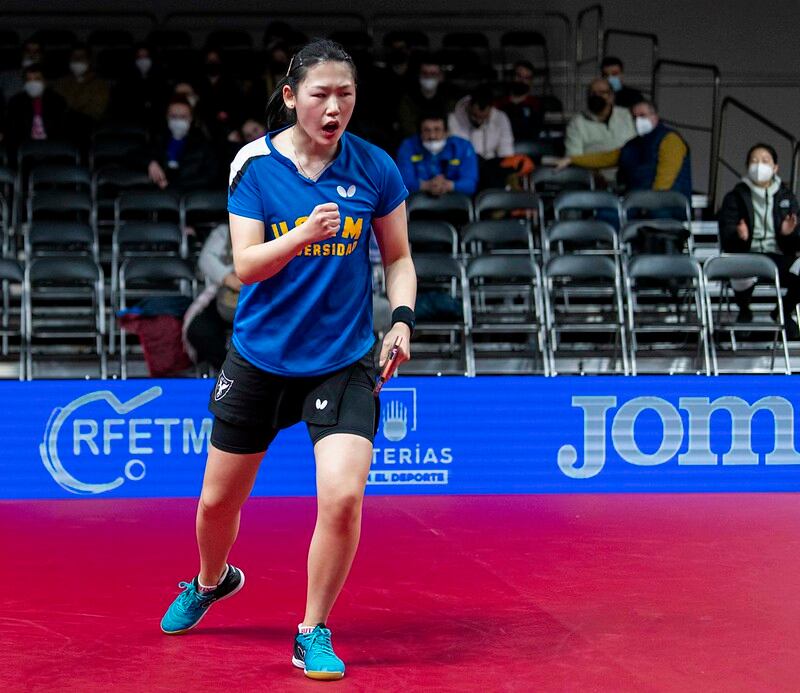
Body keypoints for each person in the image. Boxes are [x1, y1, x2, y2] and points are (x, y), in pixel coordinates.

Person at [159, 39, 417, 682]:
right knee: (217, 505)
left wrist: (403, 322)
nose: (334, 108)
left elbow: (399, 258)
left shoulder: (376, 167)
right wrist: (303, 235)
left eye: (346, 96)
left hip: (344, 357)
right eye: (321, 95)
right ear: (290, 97)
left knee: (342, 498)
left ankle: (312, 629)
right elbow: (244, 266)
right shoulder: (255, 163)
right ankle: (212, 580)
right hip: (260, 356)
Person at [718, 143, 800, 337]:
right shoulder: (735, 197)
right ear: (747, 166)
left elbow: (796, 243)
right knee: (740, 268)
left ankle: (784, 311)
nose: (759, 165)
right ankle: (744, 310)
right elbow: (727, 238)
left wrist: (789, 234)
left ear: (775, 168)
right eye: (754, 161)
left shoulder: (787, 197)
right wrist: (740, 236)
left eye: (765, 161)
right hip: (747, 255)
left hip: (778, 256)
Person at [557, 100, 692, 201]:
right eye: (634, 117)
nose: (638, 120)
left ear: (655, 116)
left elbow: (665, 180)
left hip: (668, 202)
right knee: (607, 215)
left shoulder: (670, 139)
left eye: (642, 115)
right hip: (637, 200)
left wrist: (650, 203)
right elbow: (606, 158)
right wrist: (572, 159)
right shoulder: (634, 144)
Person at [183, 223, 239, 370]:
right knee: (198, 330)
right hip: (224, 298)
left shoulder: (272, 230)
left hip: (261, 302)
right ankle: (227, 371)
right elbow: (205, 259)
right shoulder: (225, 231)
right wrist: (227, 277)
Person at [561, 77, 635, 183]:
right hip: (597, 179)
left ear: (611, 97)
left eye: (602, 92)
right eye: (592, 93)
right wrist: (593, 175)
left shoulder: (627, 116)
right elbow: (573, 158)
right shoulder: (577, 123)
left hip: (631, 175)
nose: (596, 96)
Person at [144, 96, 220, 193]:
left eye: (183, 117)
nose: (178, 121)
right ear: (167, 117)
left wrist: (172, 186)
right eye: (174, 117)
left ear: (191, 118)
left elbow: (210, 176)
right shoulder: (157, 140)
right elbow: (133, 155)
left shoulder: (204, 145)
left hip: (191, 195)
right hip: (159, 194)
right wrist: (151, 162)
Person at [396, 111, 478, 196]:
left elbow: (470, 184)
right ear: (420, 133)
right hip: (417, 202)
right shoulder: (408, 146)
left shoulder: (463, 147)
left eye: (437, 129)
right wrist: (427, 185)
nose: (432, 136)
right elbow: (402, 184)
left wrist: (447, 185)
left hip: (456, 202)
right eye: (427, 130)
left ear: (447, 132)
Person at [4, 64, 67, 160]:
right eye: (29, 80)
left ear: (45, 81)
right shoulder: (16, 102)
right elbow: (12, 130)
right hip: (24, 150)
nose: (32, 83)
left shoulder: (57, 101)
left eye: (37, 79)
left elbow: (60, 130)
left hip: (52, 149)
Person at [396, 55, 457, 139]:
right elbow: (407, 127)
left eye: (433, 74)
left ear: (440, 76)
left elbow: (452, 127)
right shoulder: (408, 99)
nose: (428, 77)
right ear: (419, 75)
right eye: (425, 73)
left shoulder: (449, 99)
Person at [448, 84, 515, 160]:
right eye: (475, 116)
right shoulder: (453, 120)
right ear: (469, 106)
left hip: (490, 163)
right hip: (464, 163)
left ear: (490, 109)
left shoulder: (500, 118)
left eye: (483, 117)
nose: (478, 121)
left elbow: (506, 150)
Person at [54, 44, 110, 123]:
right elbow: (55, 106)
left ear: (89, 60)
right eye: (74, 57)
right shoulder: (60, 83)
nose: (78, 60)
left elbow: (96, 111)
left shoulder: (100, 85)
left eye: (82, 57)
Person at [495, 60, 546, 142]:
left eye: (526, 78)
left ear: (531, 82)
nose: (522, 81)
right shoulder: (499, 103)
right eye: (519, 76)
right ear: (512, 77)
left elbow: (534, 132)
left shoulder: (536, 105)